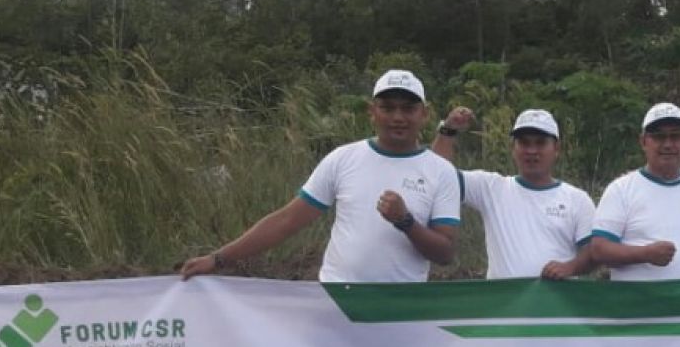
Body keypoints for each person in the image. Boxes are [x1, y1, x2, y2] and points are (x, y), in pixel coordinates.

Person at [180, 69, 460, 282]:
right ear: (372, 112)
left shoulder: (441, 171)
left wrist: (405, 221)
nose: (398, 117)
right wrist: (218, 260)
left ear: (424, 114)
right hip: (336, 301)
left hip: (402, 310)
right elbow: (287, 221)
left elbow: (444, 253)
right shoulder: (343, 159)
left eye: (408, 108)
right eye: (387, 108)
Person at [431, 106, 596, 279]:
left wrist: (570, 267)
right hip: (504, 303)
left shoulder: (578, 199)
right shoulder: (491, 188)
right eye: (524, 142)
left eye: (540, 142)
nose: (532, 151)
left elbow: (594, 252)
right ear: (513, 148)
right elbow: (438, 175)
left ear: (556, 148)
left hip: (557, 304)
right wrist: (447, 131)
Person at [590, 103, 680, 280]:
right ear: (643, 142)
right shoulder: (621, 190)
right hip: (636, 304)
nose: (668, 144)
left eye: (676, 136)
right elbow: (599, 250)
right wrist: (645, 254)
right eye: (659, 137)